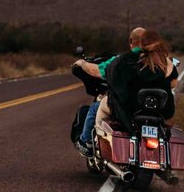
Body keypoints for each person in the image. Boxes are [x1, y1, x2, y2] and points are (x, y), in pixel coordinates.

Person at [76, 29, 178, 148]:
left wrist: (82, 63)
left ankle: (93, 144)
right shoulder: (167, 62)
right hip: (161, 112)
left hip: (131, 111)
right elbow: (173, 84)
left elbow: (105, 72)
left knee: (99, 108)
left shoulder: (126, 60)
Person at [73, 27, 145, 155]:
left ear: (130, 42)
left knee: (96, 107)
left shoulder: (121, 60)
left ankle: (87, 142)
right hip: (149, 108)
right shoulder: (158, 60)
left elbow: (97, 71)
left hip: (125, 107)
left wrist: (82, 63)